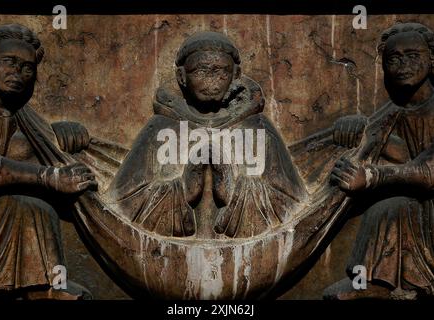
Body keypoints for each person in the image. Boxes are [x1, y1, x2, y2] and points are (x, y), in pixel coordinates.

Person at [106, 31, 307, 238]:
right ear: (181, 77)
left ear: (236, 75)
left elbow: (291, 204)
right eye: (201, 71)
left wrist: (233, 189)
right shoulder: (160, 128)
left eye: (220, 71)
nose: (211, 81)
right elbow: (123, 203)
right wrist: (183, 189)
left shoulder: (257, 127)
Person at [325, 22, 434, 299]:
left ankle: (387, 283)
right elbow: (389, 148)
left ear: (431, 60)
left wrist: (371, 177)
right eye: (394, 58)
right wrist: (358, 127)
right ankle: (374, 282)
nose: (403, 65)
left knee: (390, 209)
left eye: (413, 56)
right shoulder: (392, 114)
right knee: (389, 208)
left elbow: (428, 171)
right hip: (414, 202)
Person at [0, 24, 97, 299]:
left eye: (27, 68)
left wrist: (55, 135)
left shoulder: (17, 115)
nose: (18, 73)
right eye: (8, 62)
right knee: (21, 207)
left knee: (32, 207)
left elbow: (18, 152)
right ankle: (42, 288)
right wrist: (49, 176)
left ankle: (45, 287)